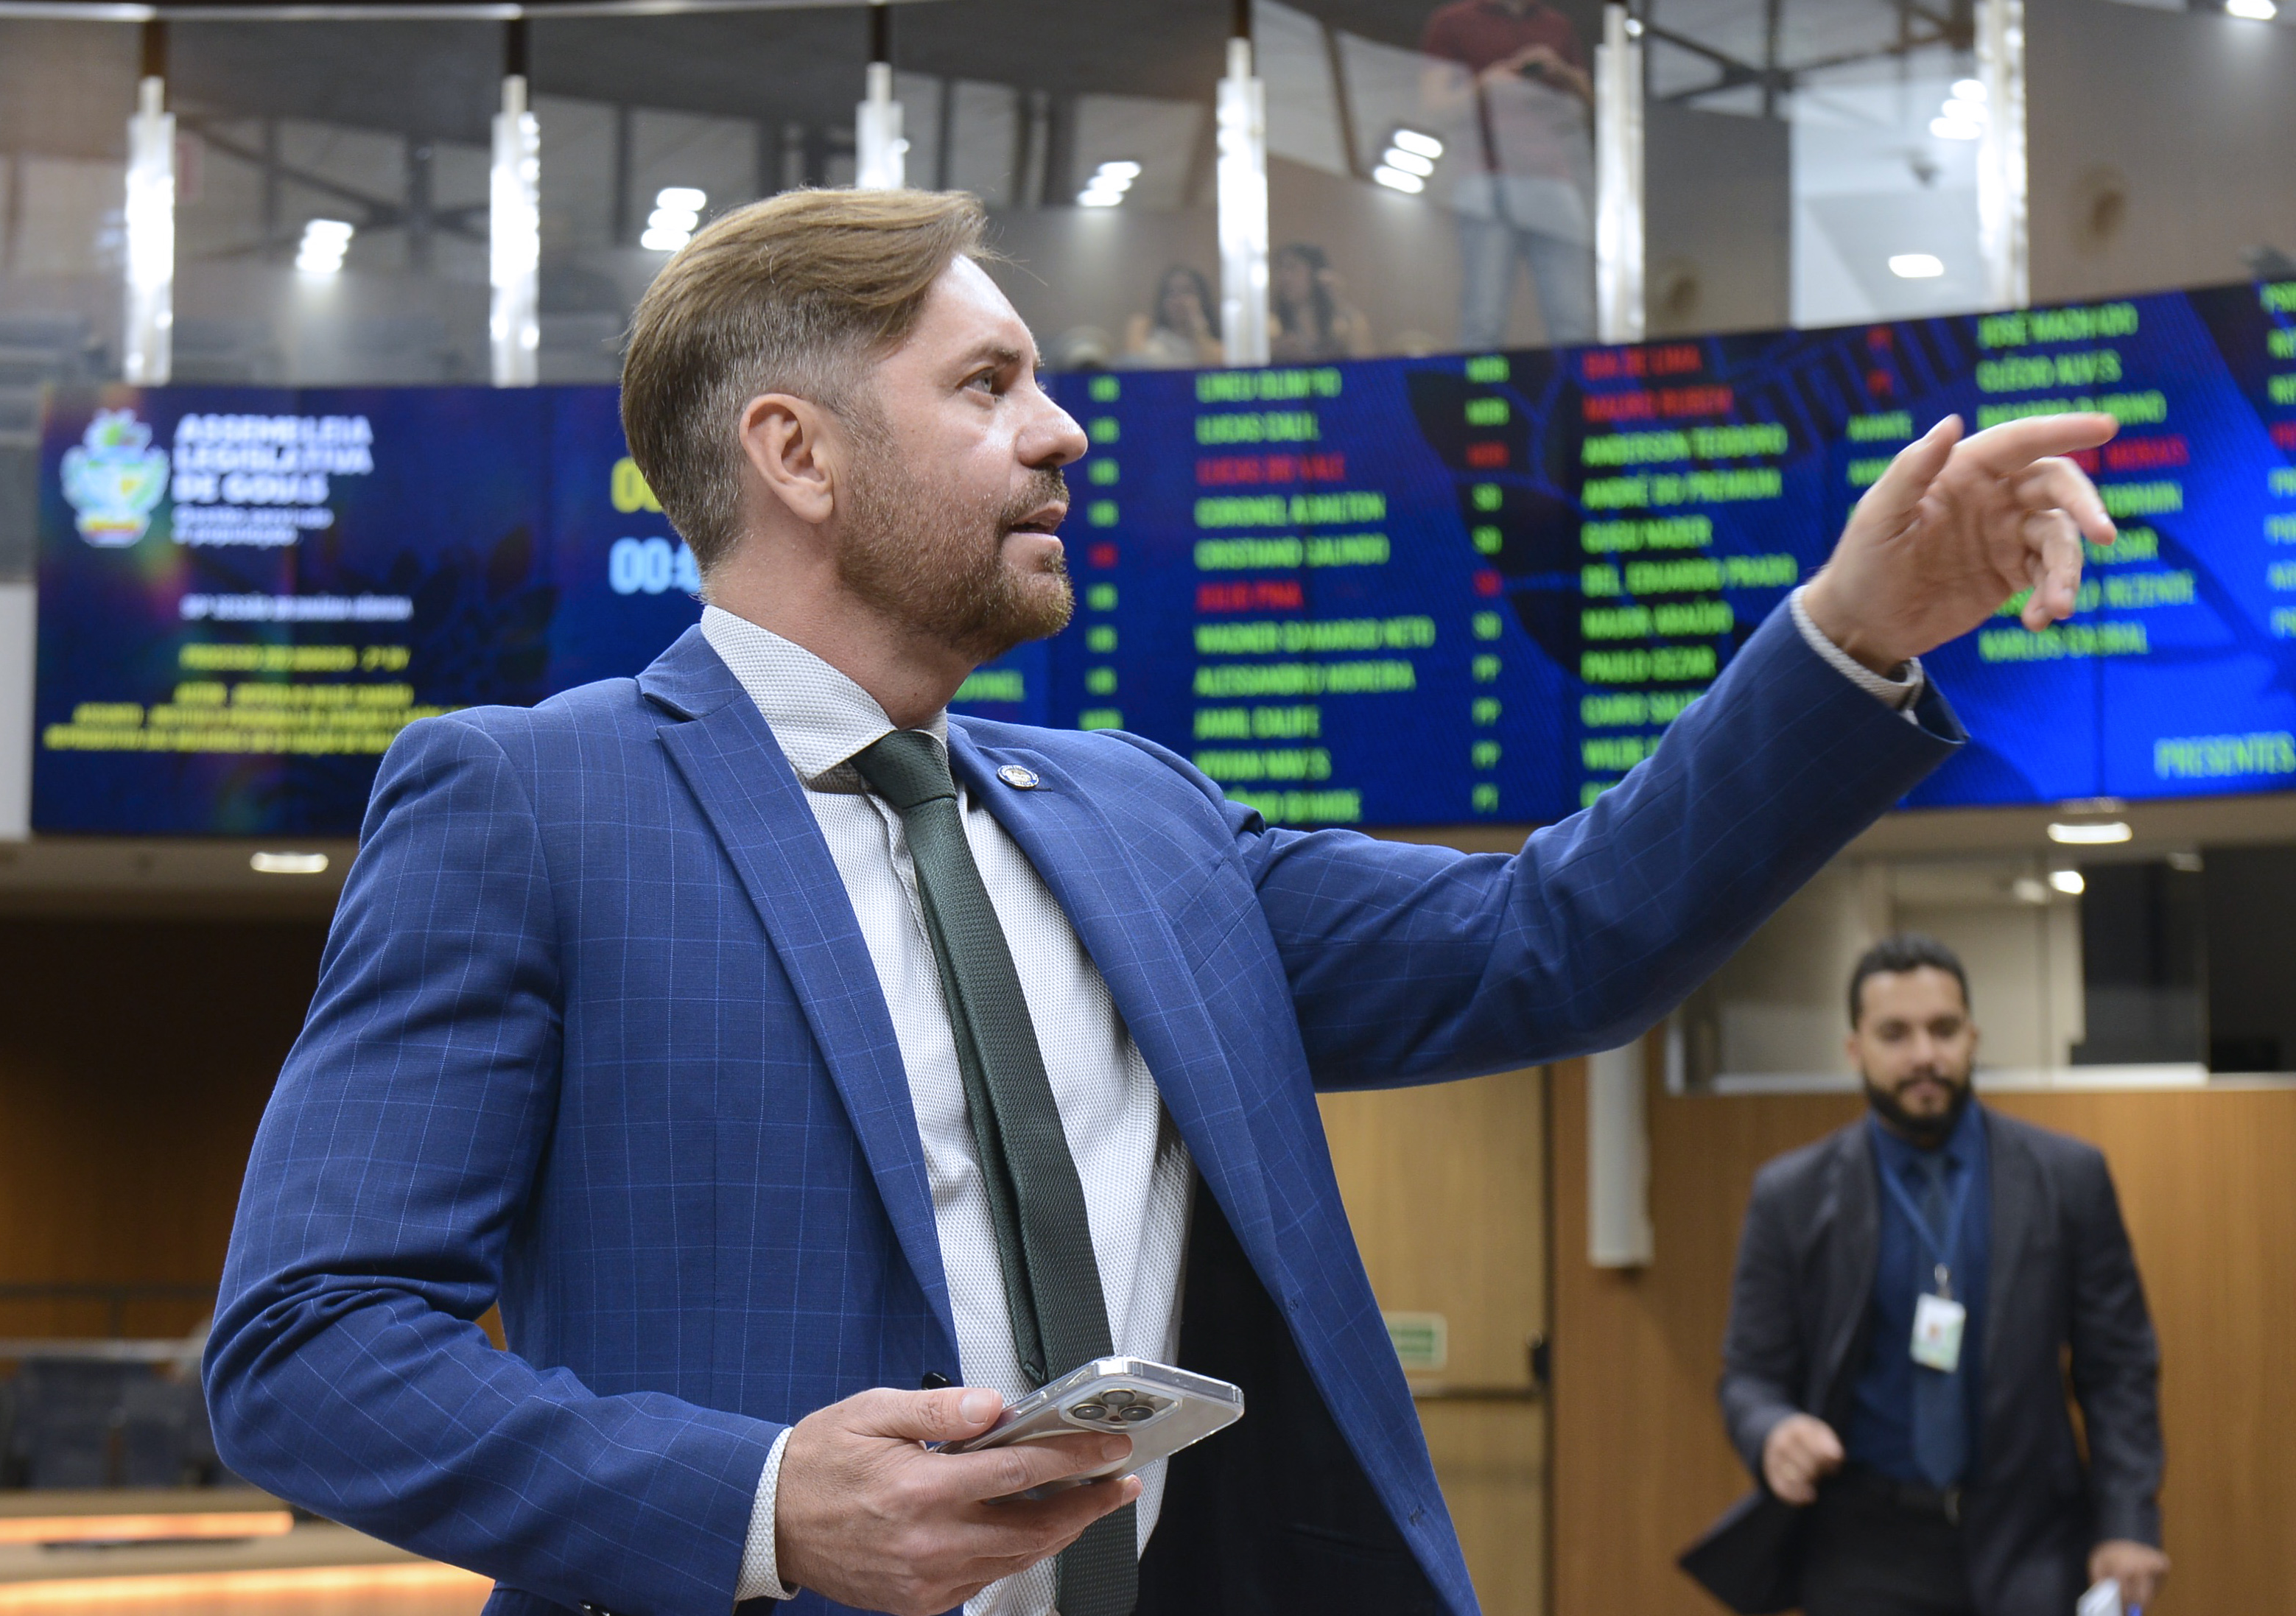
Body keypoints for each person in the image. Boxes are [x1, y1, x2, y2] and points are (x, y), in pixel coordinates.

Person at [204, 186, 2119, 1616]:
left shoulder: (1135, 815)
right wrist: (762, 1499)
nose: (1062, 431)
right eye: (989, 384)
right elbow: (306, 1348)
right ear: (794, 452)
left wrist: (1851, 632)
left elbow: (1559, 938)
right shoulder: (528, 803)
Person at [1702, 935, 2166, 1616]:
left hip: (2031, 1538)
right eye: (1895, 1034)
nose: (1924, 1054)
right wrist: (1773, 1431)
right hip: (1863, 1545)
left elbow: (2118, 1366)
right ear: (1855, 1049)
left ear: (1972, 1037)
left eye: (1943, 1030)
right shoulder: (1791, 1196)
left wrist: (2128, 1519)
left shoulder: (2068, 1178)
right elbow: (1749, 1376)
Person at [1421, 0, 1598, 349]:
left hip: (1553, 178)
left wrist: (1560, 70)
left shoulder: (1556, 25)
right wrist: (1486, 84)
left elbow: (1591, 106)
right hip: (1486, 178)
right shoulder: (1453, 22)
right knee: (1484, 318)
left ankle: (1574, 384)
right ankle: (1482, 385)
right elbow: (1435, 109)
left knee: (1574, 318)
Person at [1269, 244, 1373, 363]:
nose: (1284, 277)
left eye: (1292, 268)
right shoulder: (1273, 326)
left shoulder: (1341, 325)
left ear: (1316, 274)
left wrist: (1338, 301)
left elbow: (1365, 362)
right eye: (1280, 269)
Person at [1117, 264, 1223, 369]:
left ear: (1202, 298)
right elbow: (1132, 368)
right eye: (1171, 293)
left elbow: (1214, 370)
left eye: (1187, 291)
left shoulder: (1216, 343)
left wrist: (1199, 330)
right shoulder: (1148, 337)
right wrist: (1136, 331)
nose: (1179, 300)